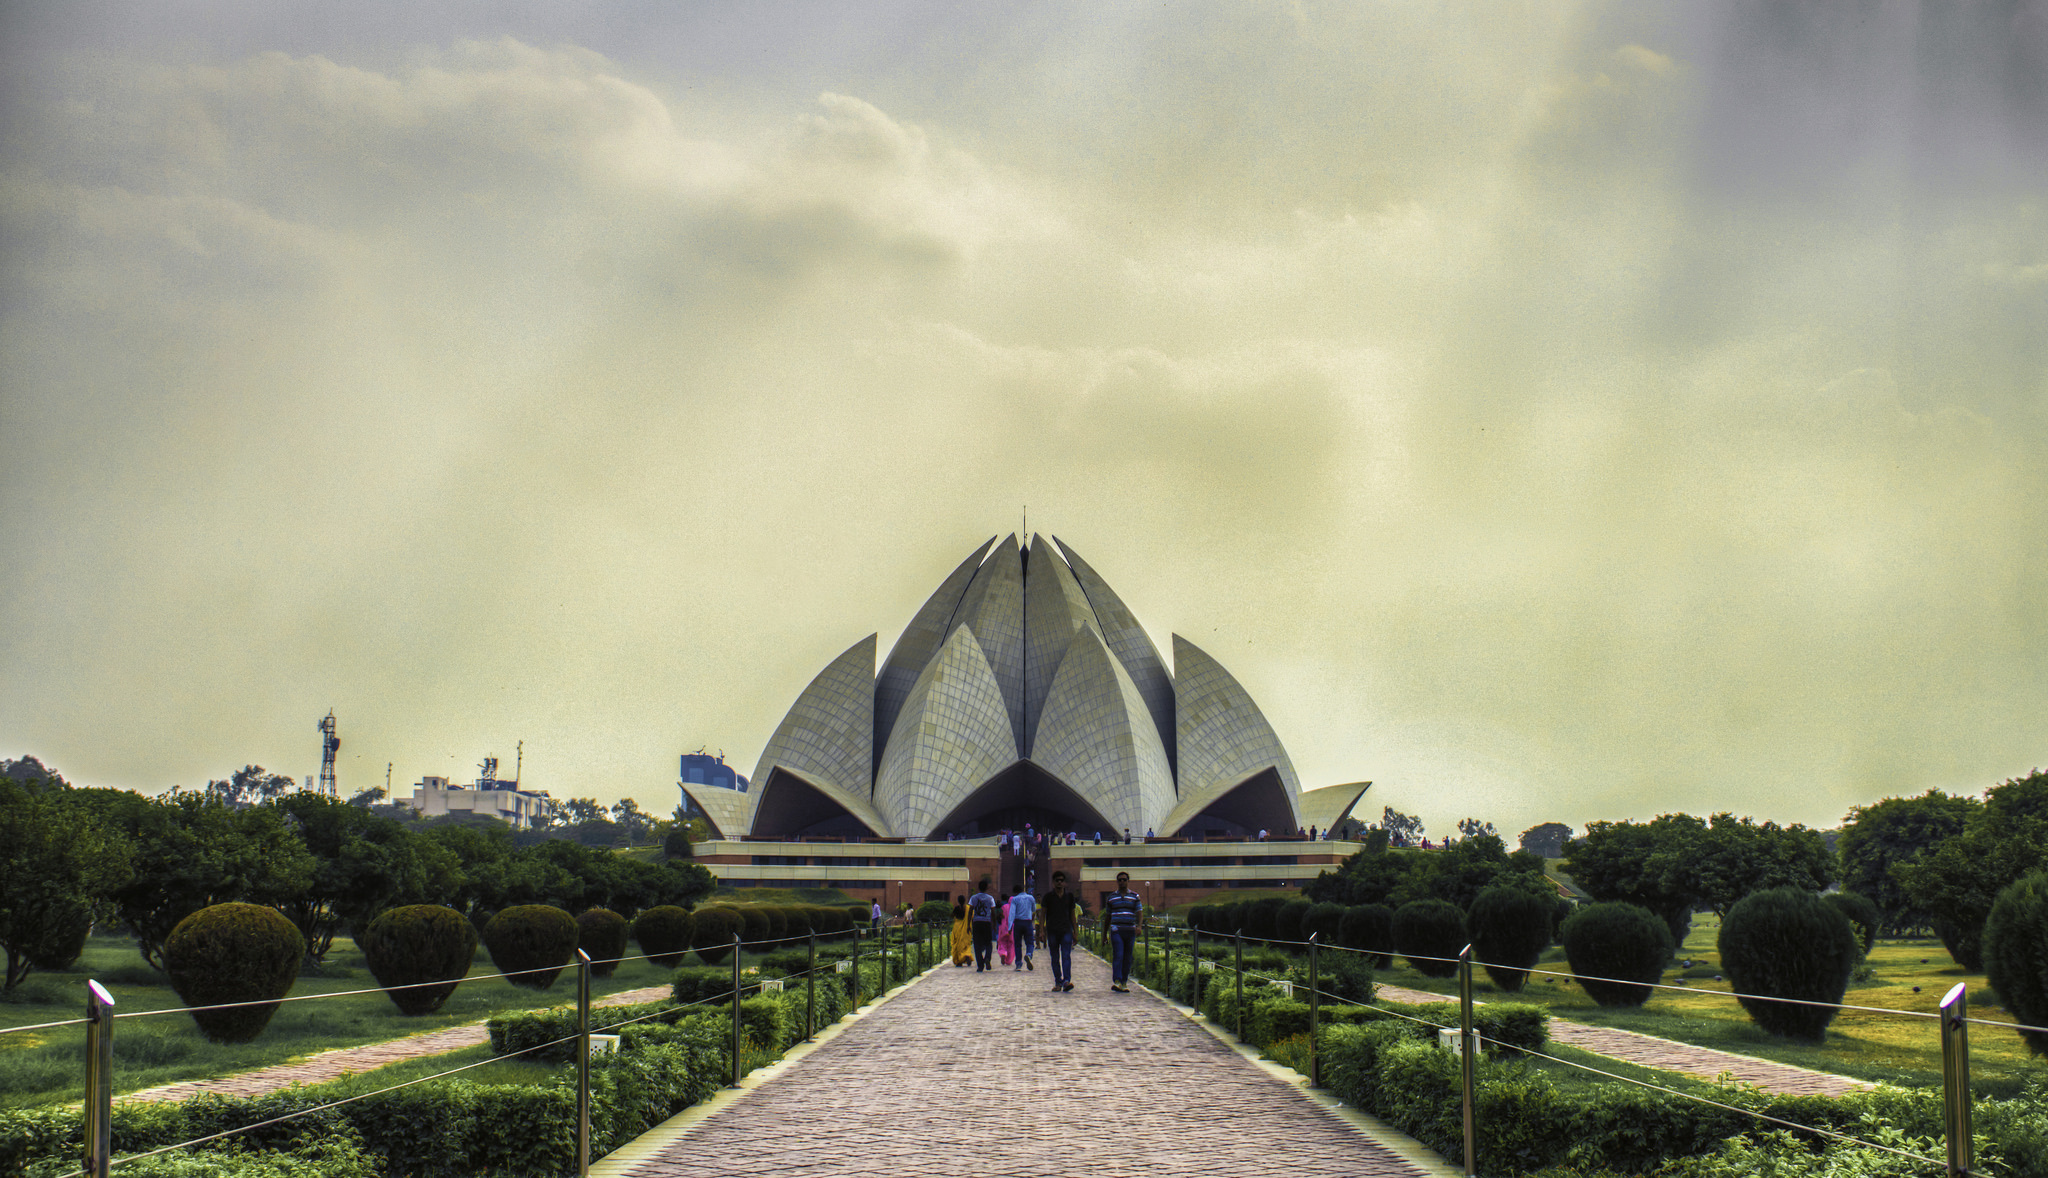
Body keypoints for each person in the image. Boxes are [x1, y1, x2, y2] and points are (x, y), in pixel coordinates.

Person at [1104, 871, 1142, 992]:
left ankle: (1124, 982)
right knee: (1118, 955)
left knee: (1127, 957)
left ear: (1128, 881)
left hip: (1130, 930)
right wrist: (1104, 934)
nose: (1122, 882)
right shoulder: (1111, 897)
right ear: (1117, 882)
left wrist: (1139, 926)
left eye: (1124, 879)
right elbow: (1108, 917)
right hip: (1116, 930)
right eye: (1120, 880)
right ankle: (1117, 980)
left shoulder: (1134, 896)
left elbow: (1139, 913)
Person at [1041, 870, 1078, 992]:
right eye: (1057, 880)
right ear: (1053, 882)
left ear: (1064, 883)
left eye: (1062, 880)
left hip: (1066, 929)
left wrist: (1075, 932)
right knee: (1055, 957)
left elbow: (1072, 915)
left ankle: (1066, 980)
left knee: (1066, 956)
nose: (1059, 883)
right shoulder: (1048, 897)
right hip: (1052, 930)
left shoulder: (1069, 897)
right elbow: (1043, 915)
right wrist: (1042, 931)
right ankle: (1058, 981)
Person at [968, 878, 998, 971]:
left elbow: (970, 911)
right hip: (986, 923)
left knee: (977, 945)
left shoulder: (973, 898)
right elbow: (993, 912)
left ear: (979, 887)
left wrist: (968, 925)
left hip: (976, 923)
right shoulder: (990, 898)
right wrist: (994, 924)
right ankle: (987, 958)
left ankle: (980, 965)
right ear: (987, 888)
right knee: (988, 943)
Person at [1008, 885, 1036, 971]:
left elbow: (1012, 913)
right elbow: (1034, 909)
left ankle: (1018, 964)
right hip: (1028, 922)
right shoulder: (1030, 898)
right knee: (1030, 942)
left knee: (1017, 944)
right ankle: (1029, 954)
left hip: (1018, 922)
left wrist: (1009, 927)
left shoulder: (1015, 899)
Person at [950, 894, 972, 966]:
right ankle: (967, 955)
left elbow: (952, 916)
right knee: (966, 944)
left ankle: (959, 961)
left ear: (958, 901)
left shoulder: (956, 908)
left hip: (957, 927)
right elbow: (972, 916)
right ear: (965, 900)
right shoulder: (968, 908)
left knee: (957, 943)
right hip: (966, 927)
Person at [995, 892, 1015, 967]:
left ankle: (1003, 953)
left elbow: (998, 916)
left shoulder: (1002, 907)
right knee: (1010, 944)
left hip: (1003, 927)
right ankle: (1009, 960)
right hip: (1011, 928)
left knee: (1002, 942)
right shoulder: (1012, 908)